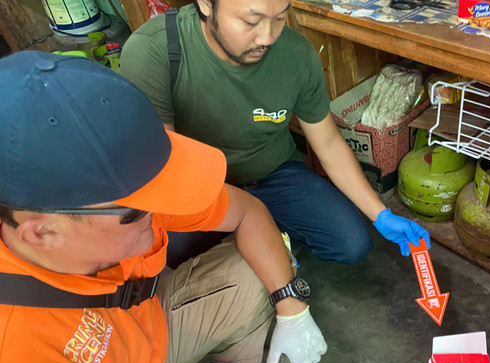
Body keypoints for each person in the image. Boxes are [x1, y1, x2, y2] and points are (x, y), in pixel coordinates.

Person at [0, 51, 327, 363]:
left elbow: (247, 212)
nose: (163, 215)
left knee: (258, 271)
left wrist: (291, 305)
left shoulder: (110, 195)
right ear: (42, 232)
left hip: (145, 336)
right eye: (137, 214)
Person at [120, 0, 430, 269]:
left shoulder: (296, 55)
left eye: (280, 18)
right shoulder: (155, 50)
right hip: (197, 188)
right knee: (164, 252)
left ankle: (257, 234)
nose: (267, 37)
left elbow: (329, 143)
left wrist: (380, 214)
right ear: (205, 5)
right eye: (251, 21)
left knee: (350, 244)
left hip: (273, 174)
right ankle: (257, 236)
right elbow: (167, 164)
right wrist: (246, 217)